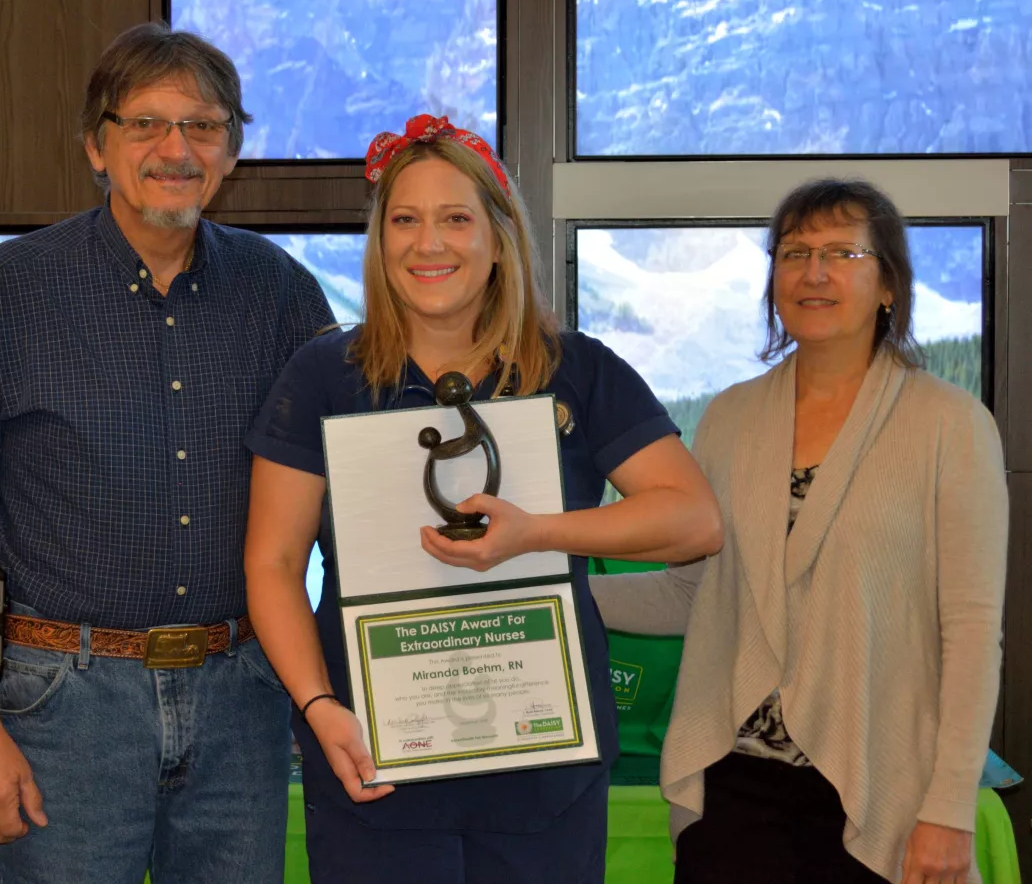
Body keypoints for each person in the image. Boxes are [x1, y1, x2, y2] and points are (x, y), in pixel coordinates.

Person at [242, 113, 723, 884]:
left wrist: (537, 533)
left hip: (544, 777)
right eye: (405, 219)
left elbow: (693, 519)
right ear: (380, 240)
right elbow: (271, 561)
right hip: (374, 766)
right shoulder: (322, 376)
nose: (428, 243)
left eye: (456, 218)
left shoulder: (576, 370)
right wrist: (316, 704)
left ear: (498, 238)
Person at [0, 22, 333, 884]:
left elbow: (338, 517)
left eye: (203, 125)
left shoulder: (282, 293)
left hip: (240, 704)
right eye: (146, 124)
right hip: (63, 707)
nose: (176, 148)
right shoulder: (8, 291)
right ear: (97, 147)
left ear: (231, 151)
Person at [590, 179, 1008, 884]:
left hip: (880, 793)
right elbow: (697, 595)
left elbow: (970, 630)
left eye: (842, 251)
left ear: (888, 284)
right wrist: (548, 590)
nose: (813, 272)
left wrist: (949, 807)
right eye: (794, 252)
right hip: (734, 790)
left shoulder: (952, 425)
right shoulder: (730, 417)